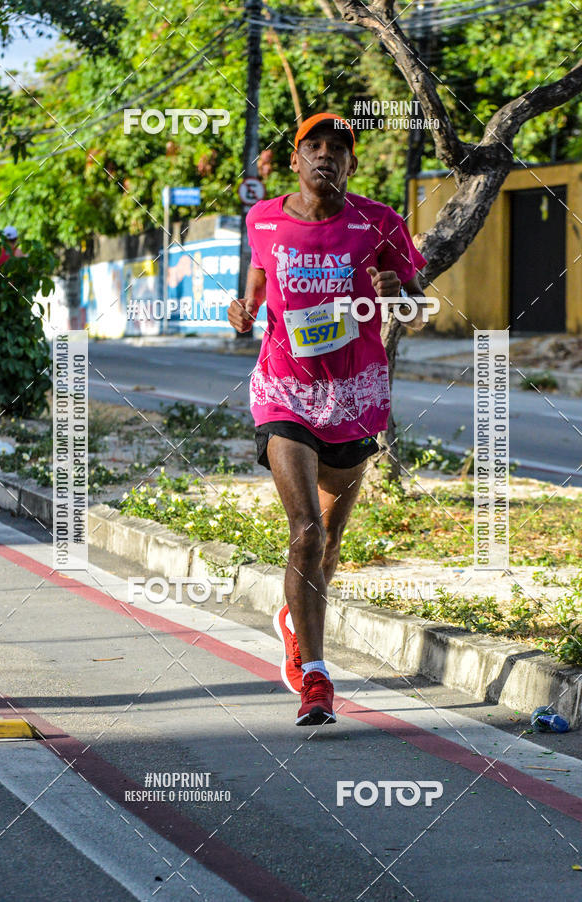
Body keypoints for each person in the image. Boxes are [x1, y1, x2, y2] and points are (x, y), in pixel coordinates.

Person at [228, 112, 428, 726]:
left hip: (355, 397)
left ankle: (295, 615)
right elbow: (257, 285)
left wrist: (401, 295)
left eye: (338, 148)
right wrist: (244, 309)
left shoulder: (380, 222)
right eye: (313, 146)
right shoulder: (262, 218)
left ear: (352, 163)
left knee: (331, 542)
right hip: (284, 392)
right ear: (296, 159)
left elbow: (419, 311)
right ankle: (315, 676)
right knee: (307, 532)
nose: (325, 156)